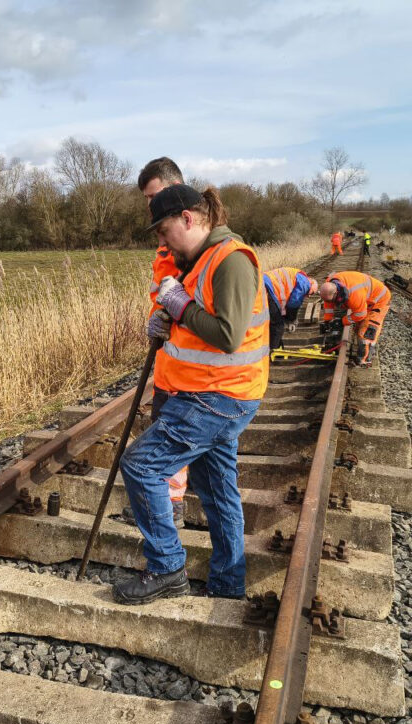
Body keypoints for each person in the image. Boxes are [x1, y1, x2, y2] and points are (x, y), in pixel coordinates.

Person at [115, 184, 269, 604]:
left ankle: (167, 567)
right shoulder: (199, 259)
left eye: (164, 231)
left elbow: (228, 336)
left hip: (218, 398)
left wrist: (180, 307)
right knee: (218, 492)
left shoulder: (232, 260)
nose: (162, 242)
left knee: (142, 466)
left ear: (188, 218)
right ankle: (227, 585)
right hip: (212, 393)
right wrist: (167, 319)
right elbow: (198, 321)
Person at [131, 157, 190, 528]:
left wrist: (170, 312)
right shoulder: (166, 244)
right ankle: (167, 500)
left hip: (187, 360)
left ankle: (171, 504)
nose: (150, 206)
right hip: (168, 353)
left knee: (171, 435)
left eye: (154, 196)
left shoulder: (189, 241)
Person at [318, 271, 391, 366]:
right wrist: (328, 321)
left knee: (365, 332)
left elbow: (360, 314)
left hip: (379, 301)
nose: (331, 302)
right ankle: (359, 351)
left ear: (336, 293)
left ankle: (363, 361)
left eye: (332, 299)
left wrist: (342, 321)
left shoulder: (354, 293)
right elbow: (328, 303)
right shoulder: (330, 285)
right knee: (358, 328)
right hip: (365, 301)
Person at [262, 267, 318, 349]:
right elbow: (293, 303)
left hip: (263, 284)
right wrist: (292, 320)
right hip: (267, 288)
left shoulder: (298, 277)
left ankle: (276, 348)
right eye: (312, 293)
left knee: (271, 322)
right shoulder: (306, 283)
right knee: (277, 326)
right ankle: (273, 352)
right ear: (311, 283)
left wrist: (286, 318)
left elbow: (285, 302)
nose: (309, 296)